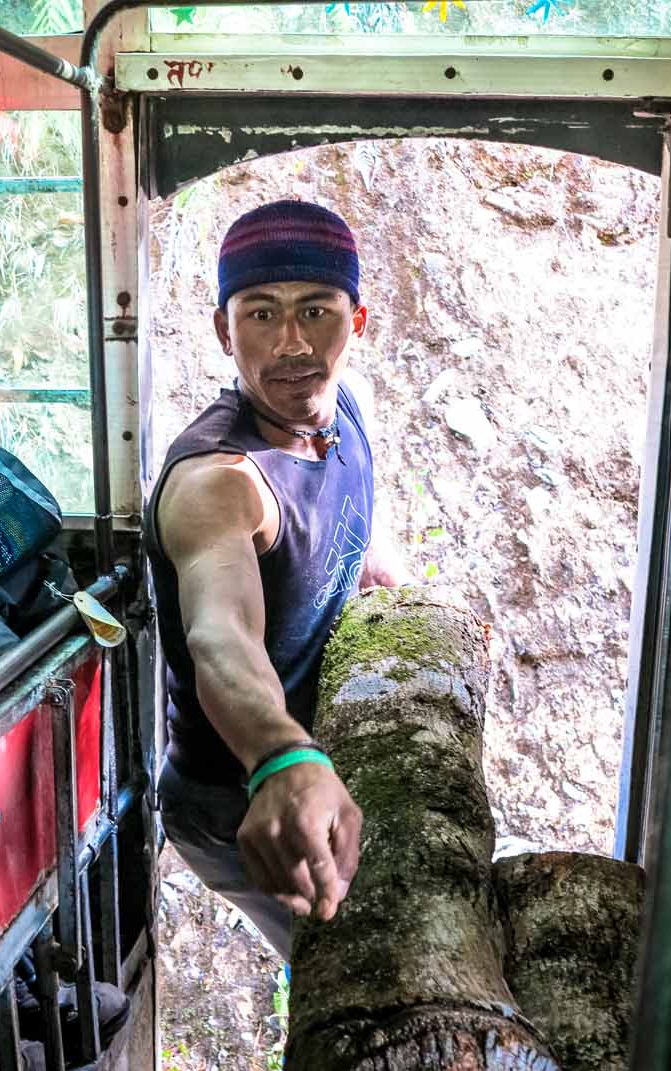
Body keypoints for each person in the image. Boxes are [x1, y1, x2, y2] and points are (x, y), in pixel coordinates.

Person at [146, 200, 409, 961]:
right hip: (238, 796)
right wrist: (281, 756)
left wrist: (377, 567)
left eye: (315, 311)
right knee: (352, 972)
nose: (291, 343)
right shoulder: (220, 484)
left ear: (357, 322)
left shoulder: (345, 411)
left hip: (311, 753)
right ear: (224, 330)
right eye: (261, 314)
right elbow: (219, 634)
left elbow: (343, 504)